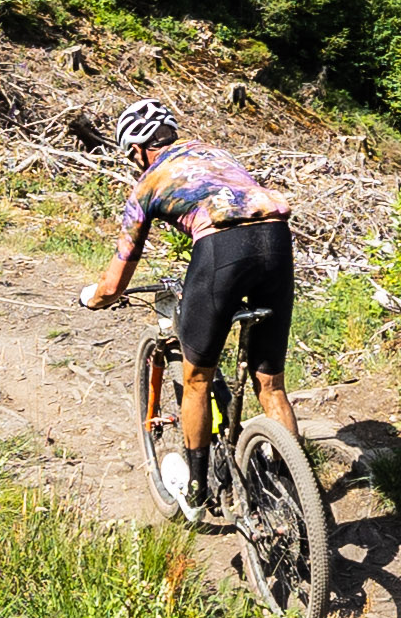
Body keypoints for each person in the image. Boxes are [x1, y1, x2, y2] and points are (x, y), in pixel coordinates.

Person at [78, 97, 292, 524]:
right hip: (277, 239)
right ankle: (292, 490)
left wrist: (94, 298)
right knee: (271, 384)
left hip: (222, 249)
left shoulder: (149, 183)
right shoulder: (217, 155)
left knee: (196, 379)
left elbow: (115, 282)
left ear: (138, 151)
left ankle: (196, 491)